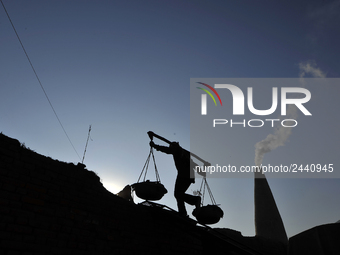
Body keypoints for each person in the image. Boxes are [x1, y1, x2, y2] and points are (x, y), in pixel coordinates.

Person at [150, 140, 201, 217]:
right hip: (189, 176)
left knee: (178, 194)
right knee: (179, 194)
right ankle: (183, 212)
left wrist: (155, 146)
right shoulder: (185, 153)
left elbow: (167, 150)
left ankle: (194, 201)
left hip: (183, 175)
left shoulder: (177, 150)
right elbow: (193, 164)